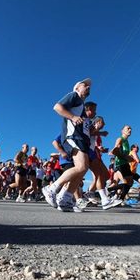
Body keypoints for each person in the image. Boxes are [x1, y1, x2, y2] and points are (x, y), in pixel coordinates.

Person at [42, 78, 91, 212]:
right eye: (84, 85)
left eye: (88, 86)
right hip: (72, 136)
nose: (87, 87)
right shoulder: (73, 95)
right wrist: (73, 117)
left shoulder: (80, 105)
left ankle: (65, 198)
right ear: (77, 88)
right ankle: (51, 189)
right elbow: (57, 107)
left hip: (80, 138)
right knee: (81, 167)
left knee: (83, 169)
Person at [109, 125, 134, 202]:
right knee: (127, 182)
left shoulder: (127, 141)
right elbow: (114, 151)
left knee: (130, 182)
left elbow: (122, 153)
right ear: (122, 131)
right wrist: (126, 157)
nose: (130, 130)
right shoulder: (120, 139)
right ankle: (108, 190)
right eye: (128, 128)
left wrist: (128, 157)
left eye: (130, 129)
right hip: (120, 163)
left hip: (125, 163)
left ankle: (120, 199)